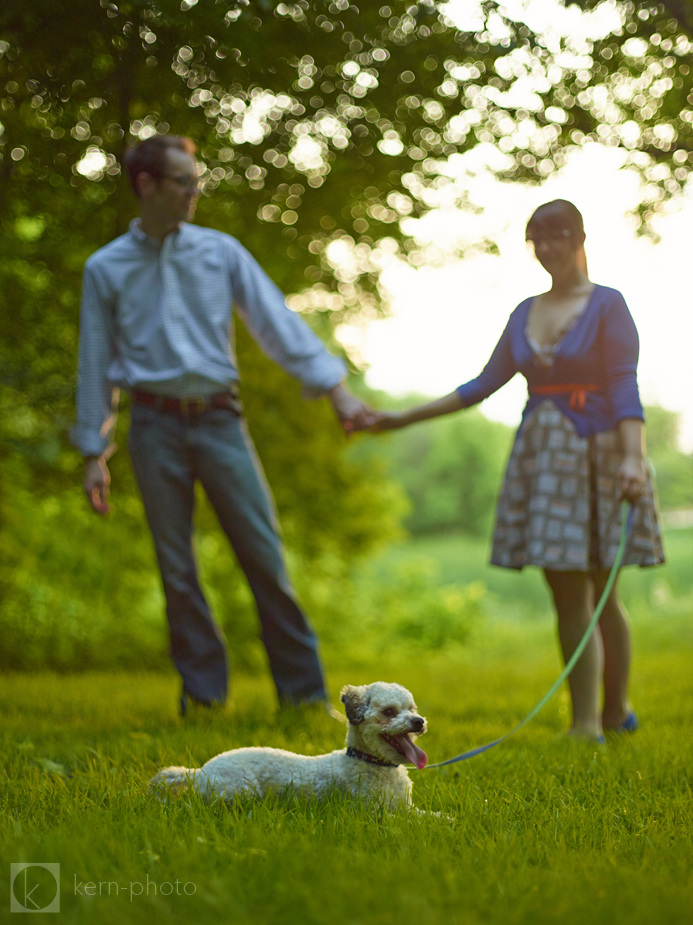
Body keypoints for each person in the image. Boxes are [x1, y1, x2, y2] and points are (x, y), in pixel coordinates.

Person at [71, 134, 374, 717]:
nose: (195, 191)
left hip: (220, 422)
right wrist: (94, 451)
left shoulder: (220, 252)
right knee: (177, 569)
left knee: (264, 556)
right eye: (184, 181)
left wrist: (336, 391)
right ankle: (204, 699)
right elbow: (94, 362)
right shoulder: (105, 269)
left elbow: (276, 323)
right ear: (148, 186)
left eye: (196, 179)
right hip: (153, 427)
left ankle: (306, 697)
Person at [365, 199, 664, 741]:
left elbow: (624, 384)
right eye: (537, 239)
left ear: (580, 239)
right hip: (542, 459)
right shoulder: (525, 311)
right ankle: (586, 725)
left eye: (557, 237)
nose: (547, 248)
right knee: (568, 592)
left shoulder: (609, 305)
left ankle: (612, 713)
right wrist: (399, 419)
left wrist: (632, 456)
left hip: (600, 455)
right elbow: (481, 386)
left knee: (603, 591)